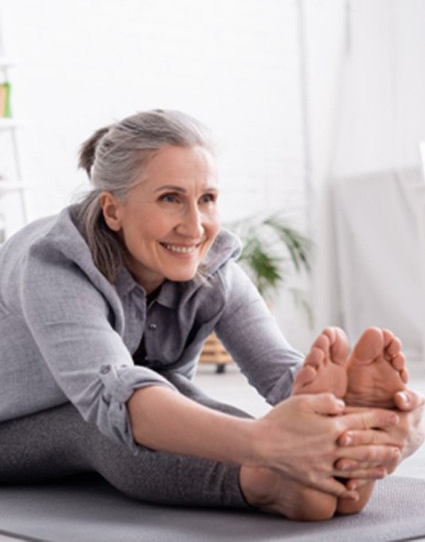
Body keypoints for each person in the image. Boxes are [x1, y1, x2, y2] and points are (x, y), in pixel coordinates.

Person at [0, 109, 423, 521]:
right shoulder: (53, 264)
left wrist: (367, 426)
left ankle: (336, 470)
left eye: (207, 199)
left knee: (192, 405)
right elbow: (113, 397)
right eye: (170, 199)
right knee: (101, 421)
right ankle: (266, 483)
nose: (195, 225)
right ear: (113, 210)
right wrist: (263, 442)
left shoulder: (212, 267)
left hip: (133, 405)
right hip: (14, 430)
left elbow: (281, 374)